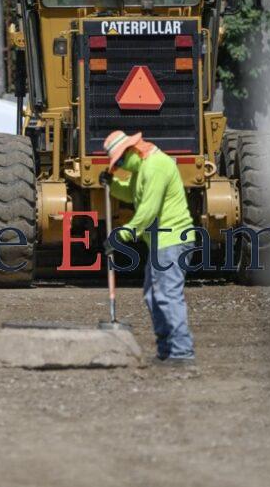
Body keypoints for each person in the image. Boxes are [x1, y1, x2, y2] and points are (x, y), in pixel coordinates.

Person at [99, 130, 196, 365]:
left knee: (167, 295)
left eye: (121, 161)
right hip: (160, 243)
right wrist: (112, 184)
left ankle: (182, 352)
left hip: (173, 240)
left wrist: (120, 235)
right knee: (153, 295)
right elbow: (132, 195)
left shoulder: (155, 166)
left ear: (131, 151)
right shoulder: (141, 166)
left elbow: (147, 212)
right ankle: (165, 350)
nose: (120, 165)